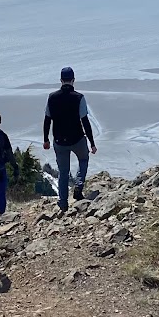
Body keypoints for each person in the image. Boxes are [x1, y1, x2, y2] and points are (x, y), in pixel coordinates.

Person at [43, 66, 97, 213]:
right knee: (84, 159)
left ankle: (63, 203)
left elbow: (47, 119)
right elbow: (85, 121)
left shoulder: (52, 97)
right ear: (73, 80)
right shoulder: (79, 97)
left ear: (61, 80)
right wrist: (92, 143)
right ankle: (79, 185)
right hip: (77, 138)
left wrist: (46, 139)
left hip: (59, 140)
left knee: (63, 172)